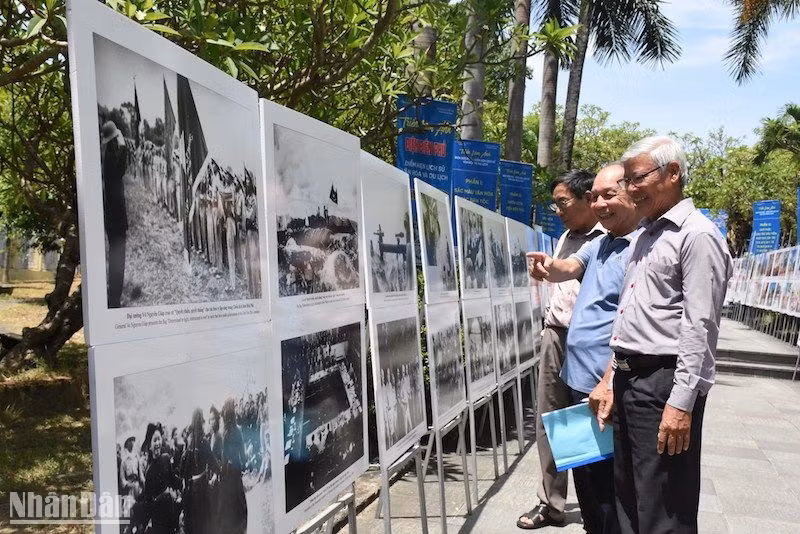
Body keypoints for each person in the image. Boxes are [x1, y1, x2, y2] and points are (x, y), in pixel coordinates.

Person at [610, 136, 732, 534]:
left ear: (673, 173)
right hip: (632, 379)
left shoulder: (697, 235)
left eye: (637, 178)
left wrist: (681, 403)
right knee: (629, 499)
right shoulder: (646, 235)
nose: (630, 189)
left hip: (663, 383)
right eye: (626, 181)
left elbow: (701, 326)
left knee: (664, 508)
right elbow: (632, 314)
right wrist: (613, 376)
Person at [527, 164, 640, 534]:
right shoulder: (599, 242)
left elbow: (632, 322)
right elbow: (567, 267)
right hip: (576, 370)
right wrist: (547, 266)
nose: (600, 203)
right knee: (586, 468)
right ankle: (563, 509)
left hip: (603, 376)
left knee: (607, 474)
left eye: (608, 195)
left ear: (633, 194)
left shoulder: (639, 248)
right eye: (596, 196)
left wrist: (609, 376)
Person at [517, 169, 604, 529]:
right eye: (555, 203)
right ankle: (551, 503)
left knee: (590, 422)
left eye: (563, 202)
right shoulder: (566, 235)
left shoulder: (610, 239)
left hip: (591, 343)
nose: (558, 210)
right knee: (551, 421)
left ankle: (596, 508)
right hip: (555, 335)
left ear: (588, 199)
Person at [100, 120, 129, 308]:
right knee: (118, 260)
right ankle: (114, 299)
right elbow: (122, 168)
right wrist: (124, 145)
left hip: (113, 217)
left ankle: (113, 296)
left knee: (116, 258)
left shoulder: (108, 157)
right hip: (116, 218)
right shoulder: (110, 160)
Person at [218, 398, 248, 534]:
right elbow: (242, 452)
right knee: (239, 499)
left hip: (229, 471)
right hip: (234, 470)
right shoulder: (237, 430)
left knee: (234, 499)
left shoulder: (227, 432)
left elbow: (226, 454)